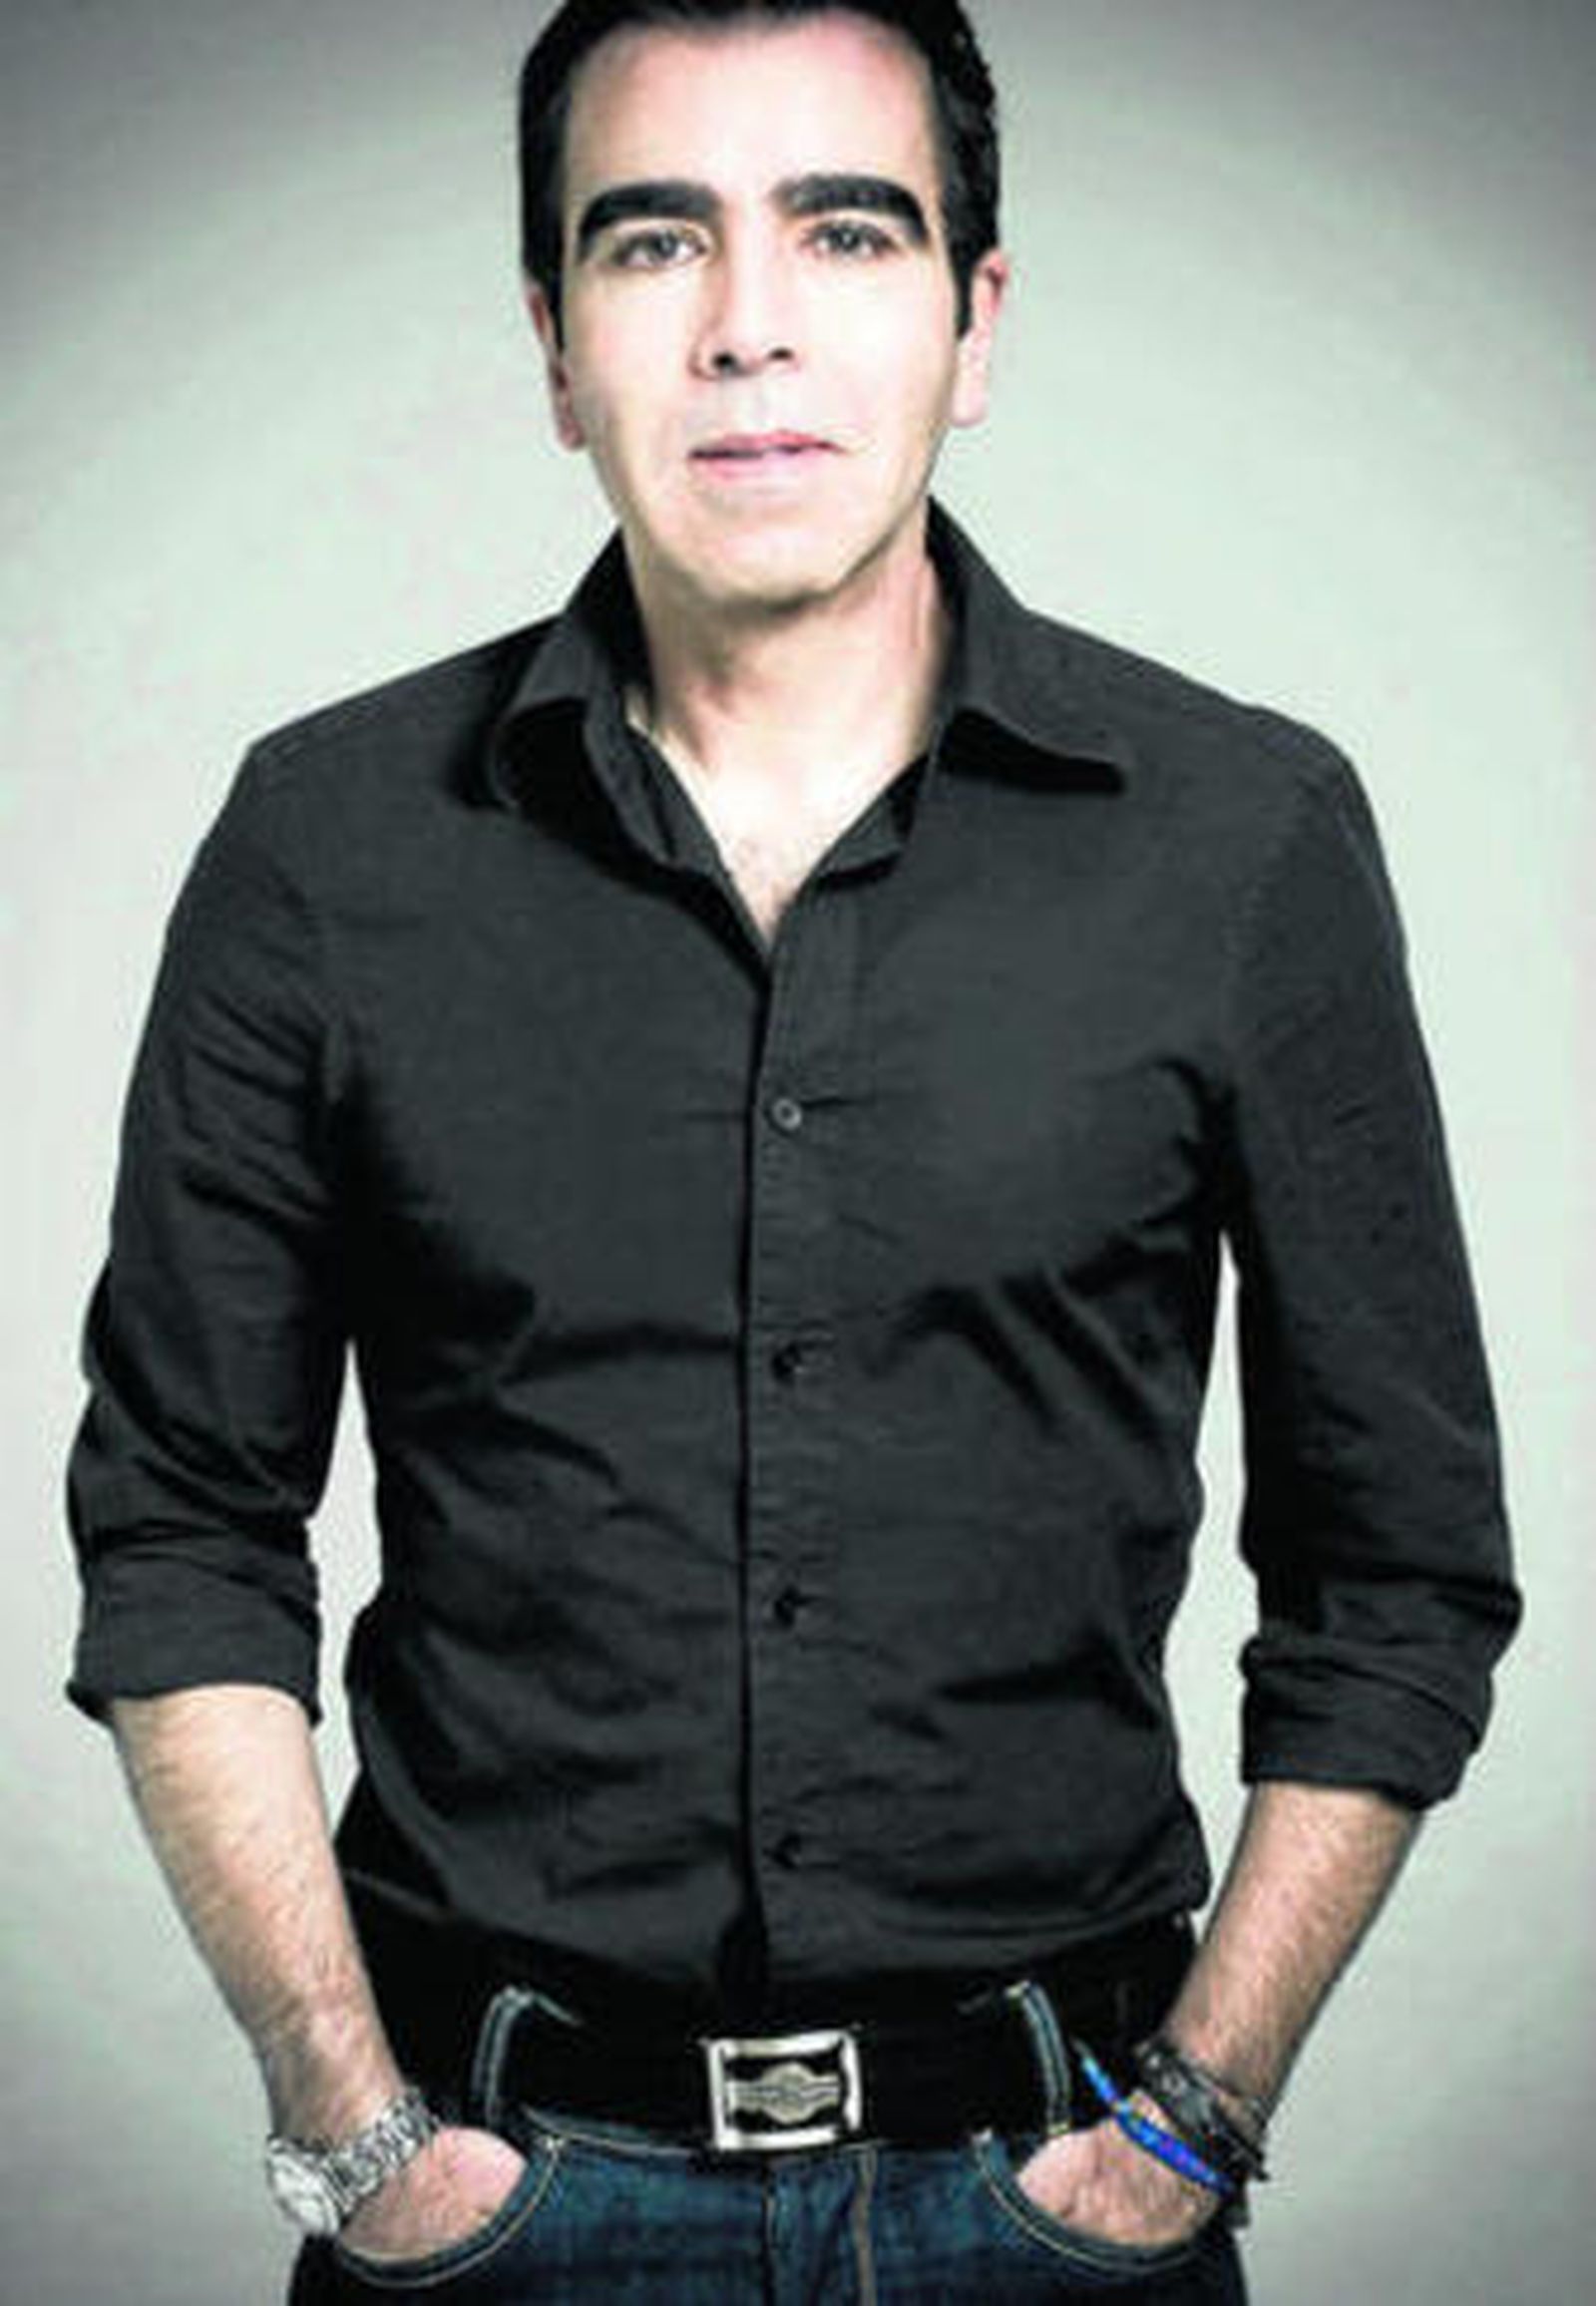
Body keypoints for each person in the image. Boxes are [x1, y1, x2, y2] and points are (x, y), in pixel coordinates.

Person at [65, 2, 1519, 2299]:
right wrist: (355, 2126)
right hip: (489, 2199)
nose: (748, 323)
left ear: (973, 320)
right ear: (554, 349)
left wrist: (1192, 2116)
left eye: (845, 231)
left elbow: (1397, 1572)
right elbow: (180, 1531)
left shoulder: (1242, 842)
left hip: (1058, 2194)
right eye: (653, 242)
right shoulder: (326, 847)